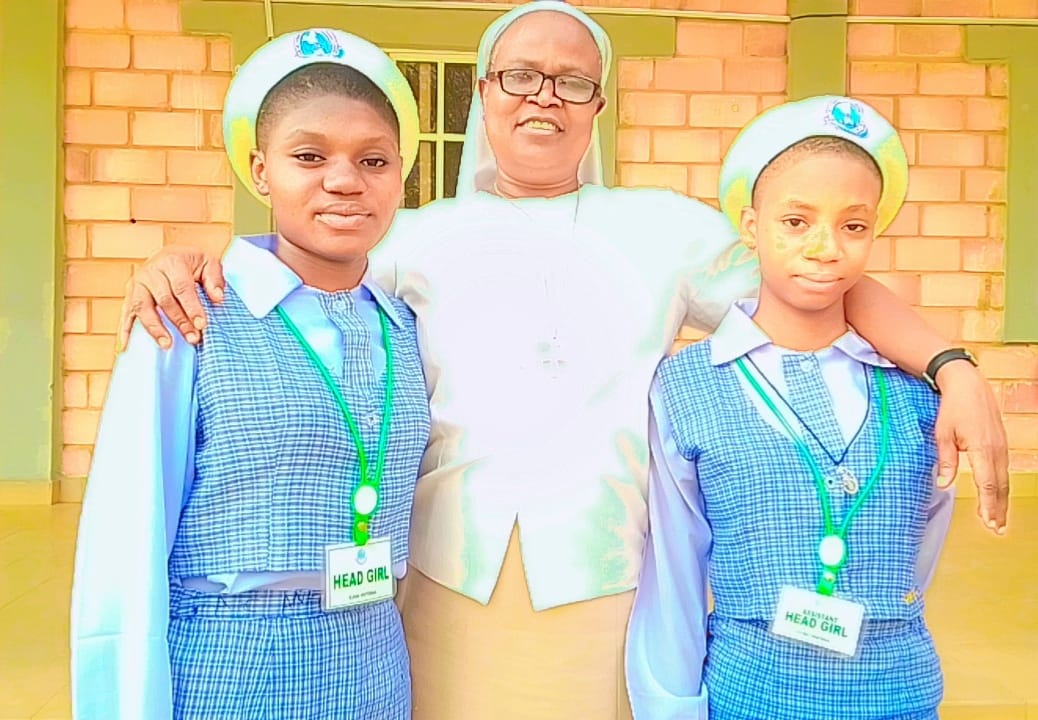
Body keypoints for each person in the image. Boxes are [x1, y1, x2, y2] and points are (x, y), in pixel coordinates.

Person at [113, 3, 1007, 718]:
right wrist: (187, 263)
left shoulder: (667, 230)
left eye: (573, 81)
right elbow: (300, 266)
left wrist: (952, 365)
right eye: (520, 75)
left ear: (598, 105)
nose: (544, 96)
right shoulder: (409, 236)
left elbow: (820, 279)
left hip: (605, 576)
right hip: (444, 578)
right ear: (483, 92)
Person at [70, 28, 430, 720]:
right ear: (261, 170)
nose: (345, 180)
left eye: (374, 160)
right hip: (231, 662)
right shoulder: (188, 315)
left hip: (374, 657)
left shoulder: (407, 323)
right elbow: (126, 534)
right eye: (309, 156)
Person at [627, 96, 956, 720]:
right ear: (752, 226)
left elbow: (918, 553)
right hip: (752, 694)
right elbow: (674, 571)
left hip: (901, 694)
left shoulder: (918, 392)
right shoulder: (688, 385)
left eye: (853, 226)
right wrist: (671, 708)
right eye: (796, 221)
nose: (826, 248)